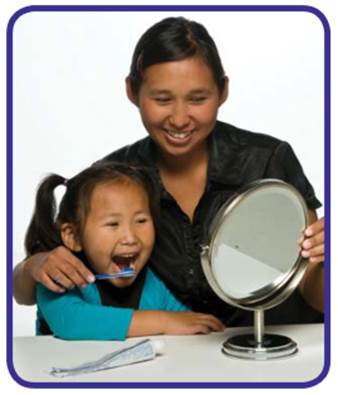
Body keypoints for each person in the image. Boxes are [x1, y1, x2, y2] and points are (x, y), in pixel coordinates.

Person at [14, 17, 325, 325]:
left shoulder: (268, 159)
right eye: (162, 99)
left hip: (284, 351)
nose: (179, 119)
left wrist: (326, 261)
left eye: (198, 99)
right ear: (132, 91)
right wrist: (35, 266)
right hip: (171, 357)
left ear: (223, 91)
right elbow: (24, 293)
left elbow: (315, 290)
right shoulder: (111, 179)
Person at [25, 161, 224, 340]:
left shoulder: (152, 283)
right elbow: (71, 323)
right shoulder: (58, 273)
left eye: (141, 221)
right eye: (113, 224)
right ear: (73, 236)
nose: (130, 238)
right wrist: (163, 321)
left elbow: (185, 321)